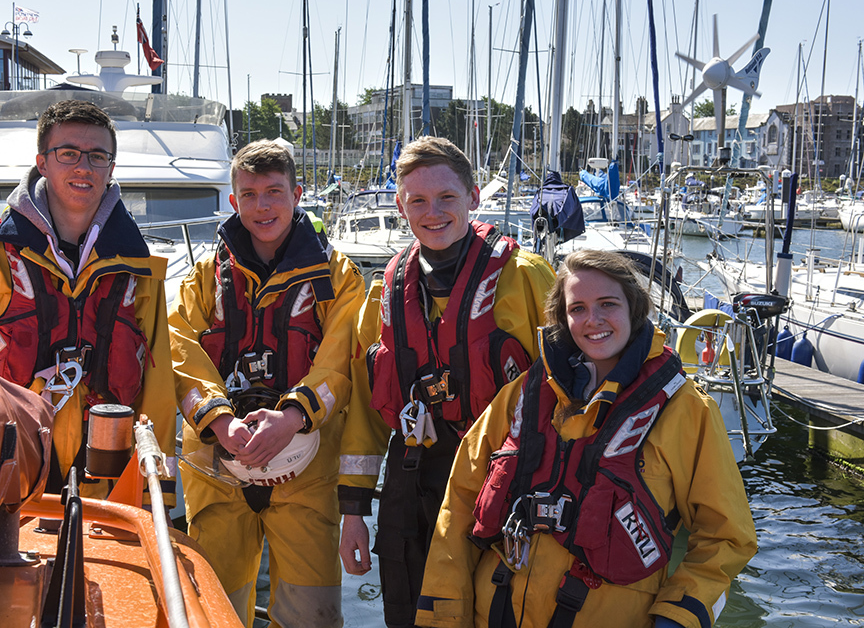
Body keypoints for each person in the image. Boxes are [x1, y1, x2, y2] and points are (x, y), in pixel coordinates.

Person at [415, 249, 758, 628]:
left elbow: (727, 536)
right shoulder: (522, 395)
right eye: (577, 308)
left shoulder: (686, 409)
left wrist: (680, 614)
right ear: (562, 317)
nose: (593, 320)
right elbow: (459, 504)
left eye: (608, 304)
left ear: (633, 307)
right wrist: (443, 615)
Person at [338, 136, 556, 628]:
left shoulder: (526, 278)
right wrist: (353, 510)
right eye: (417, 200)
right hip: (412, 484)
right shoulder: (383, 295)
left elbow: (575, 391)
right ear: (400, 207)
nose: (432, 212)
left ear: (474, 197)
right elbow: (366, 414)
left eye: (446, 197)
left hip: (506, 485)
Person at [0, 98, 176, 503]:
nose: (84, 167)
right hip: (6, 474)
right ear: (42, 163)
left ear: (111, 168)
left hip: (107, 476)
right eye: (68, 153)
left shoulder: (139, 266)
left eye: (98, 156)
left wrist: (156, 496)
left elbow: (158, 386)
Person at [169, 140, 364, 628]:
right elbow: (176, 345)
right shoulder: (206, 276)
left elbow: (342, 358)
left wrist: (293, 417)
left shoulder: (337, 277)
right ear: (233, 200)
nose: (263, 206)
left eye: (274, 192)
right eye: (250, 194)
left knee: (312, 616)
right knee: (212, 611)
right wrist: (220, 421)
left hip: (307, 472)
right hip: (216, 465)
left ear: (297, 195)